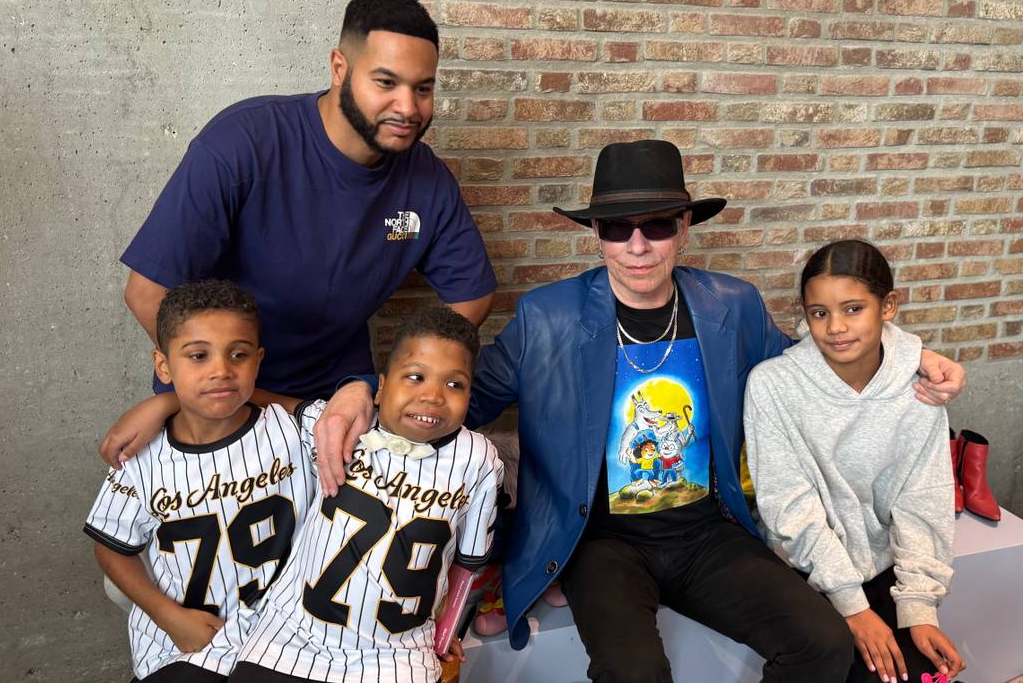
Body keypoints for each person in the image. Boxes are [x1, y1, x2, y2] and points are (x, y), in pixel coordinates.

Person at [321, 140, 968, 682]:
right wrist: (363, 391)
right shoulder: (548, 318)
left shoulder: (728, 306)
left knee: (822, 642)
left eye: (657, 224)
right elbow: (462, 397)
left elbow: (812, 364)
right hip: (599, 541)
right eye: (616, 227)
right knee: (635, 674)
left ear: (683, 227)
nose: (637, 245)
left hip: (707, 530)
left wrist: (911, 353)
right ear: (595, 233)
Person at [102, 0, 495, 468]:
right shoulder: (242, 143)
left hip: (339, 405)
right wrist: (196, 394)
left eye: (424, 88)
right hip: (219, 402)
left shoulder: (427, 179)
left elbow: (471, 295)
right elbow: (146, 292)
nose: (408, 107)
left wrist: (384, 386)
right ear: (339, 68)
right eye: (386, 82)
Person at [229, 306, 503, 683]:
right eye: (415, 377)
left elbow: (468, 564)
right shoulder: (335, 425)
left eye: (454, 384)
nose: (433, 396)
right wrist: (166, 403)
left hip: (397, 656)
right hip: (289, 639)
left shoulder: (478, 458)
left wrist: (446, 630)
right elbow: (243, 397)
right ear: (381, 386)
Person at [744, 239, 964, 683]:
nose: (836, 328)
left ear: (888, 306)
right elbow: (789, 508)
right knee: (842, 666)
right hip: (804, 567)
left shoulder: (920, 388)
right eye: (819, 313)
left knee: (922, 673)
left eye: (853, 309)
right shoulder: (773, 386)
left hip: (883, 563)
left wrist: (920, 607)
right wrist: (852, 605)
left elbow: (924, 501)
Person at [84, 280, 316, 682]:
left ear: (258, 361)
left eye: (238, 355)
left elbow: (350, 417)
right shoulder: (142, 454)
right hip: (184, 643)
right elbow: (111, 548)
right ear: (164, 365)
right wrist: (167, 615)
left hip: (287, 640)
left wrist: (171, 397)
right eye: (198, 356)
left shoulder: (296, 432)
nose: (221, 370)